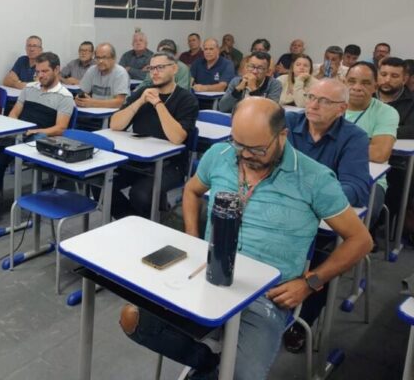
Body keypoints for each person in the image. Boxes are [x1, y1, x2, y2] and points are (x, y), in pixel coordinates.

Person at [119, 98, 372, 380]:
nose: (245, 155)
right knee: (136, 320)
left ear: (282, 136)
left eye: (257, 149)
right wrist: (193, 238)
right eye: (239, 144)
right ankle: (207, 363)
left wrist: (311, 282)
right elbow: (192, 191)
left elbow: (360, 241)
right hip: (207, 276)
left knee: (241, 375)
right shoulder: (221, 154)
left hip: (266, 296)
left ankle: (217, 370)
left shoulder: (314, 179)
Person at [282, 80, 371, 352]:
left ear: (342, 109)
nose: (313, 104)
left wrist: (310, 195)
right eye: (310, 97)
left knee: (324, 253)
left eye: (324, 101)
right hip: (282, 210)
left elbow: (356, 187)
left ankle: (301, 321)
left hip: (320, 218)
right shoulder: (287, 122)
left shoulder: (353, 137)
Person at [0, 52, 74, 229]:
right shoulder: (29, 88)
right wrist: (13, 126)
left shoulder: (65, 96)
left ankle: (25, 209)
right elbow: (15, 112)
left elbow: (60, 128)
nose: (40, 75)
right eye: (38, 71)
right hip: (20, 134)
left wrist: (35, 131)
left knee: (15, 155)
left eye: (45, 71)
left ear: (57, 70)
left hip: (41, 138)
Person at [109, 52, 198, 217]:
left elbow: (177, 138)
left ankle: (146, 222)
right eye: (151, 68)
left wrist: (158, 103)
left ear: (174, 69)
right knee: (102, 185)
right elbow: (114, 124)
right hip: (139, 160)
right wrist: (140, 101)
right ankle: (131, 222)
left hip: (171, 164)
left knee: (140, 195)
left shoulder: (187, 99)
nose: (155, 72)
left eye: (160, 67)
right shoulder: (143, 92)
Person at [345, 61, 399, 199]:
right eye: (351, 81)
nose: (357, 87)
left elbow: (379, 154)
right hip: (327, 174)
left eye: (365, 83)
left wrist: (329, 145)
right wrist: (363, 144)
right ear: (344, 83)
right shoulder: (330, 105)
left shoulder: (386, 112)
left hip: (369, 180)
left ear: (375, 87)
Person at [376, 57, 414, 236]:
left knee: (397, 181)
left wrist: (379, 132)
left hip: (397, 160)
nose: (387, 80)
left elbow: (410, 130)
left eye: (394, 76)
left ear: (404, 78)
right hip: (365, 153)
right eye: (383, 74)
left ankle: (375, 227)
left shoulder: (411, 101)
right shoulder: (366, 95)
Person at [76, 43, 130, 109]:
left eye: (104, 57)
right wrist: (80, 99)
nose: (100, 61)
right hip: (94, 112)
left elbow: (119, 102)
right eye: (98, 58)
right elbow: (82, 92)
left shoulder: (121, 73)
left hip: (114, 114)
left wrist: (92, 103)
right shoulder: (92, 70)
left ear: (114, 58)